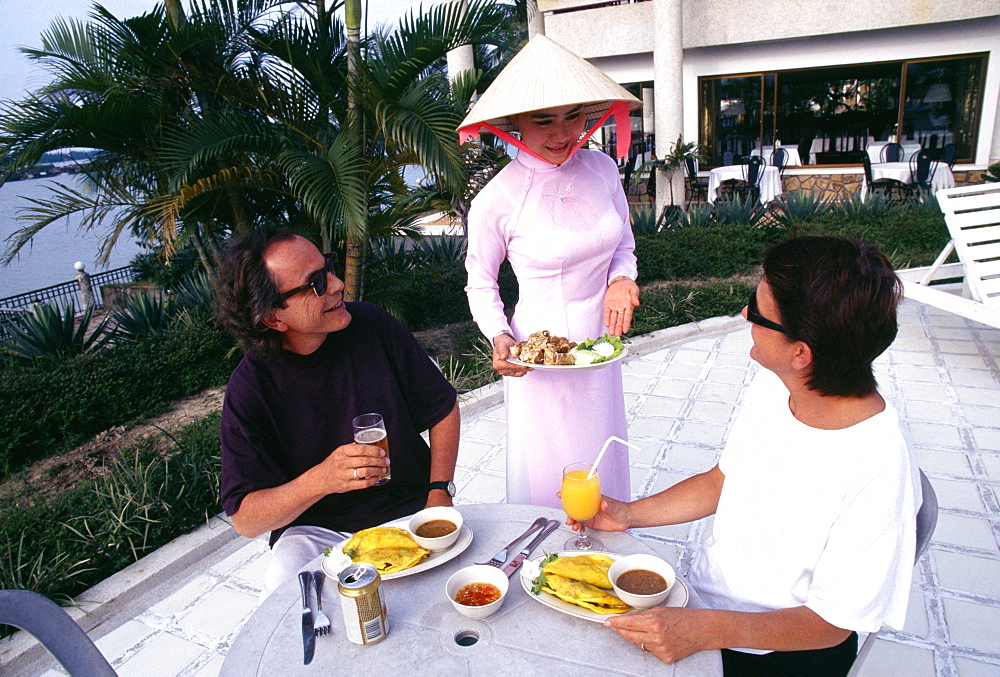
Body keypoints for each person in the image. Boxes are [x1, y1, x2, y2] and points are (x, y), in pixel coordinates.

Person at [570, 236, 921, 676]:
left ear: (800, 353)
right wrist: (628, 514)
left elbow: (831, 624)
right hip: (703, 606)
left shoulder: (877, 463)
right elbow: (723, 481)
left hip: (784, 652)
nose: (743, 316)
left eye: (756, 313)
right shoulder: (779, 387)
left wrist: (703, 631)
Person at [214, 227, 460, 600]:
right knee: (284, 601)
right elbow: (246, 519)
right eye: (315, 283)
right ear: (273, 319)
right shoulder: (251, 388)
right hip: (317, 533)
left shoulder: (373, 327)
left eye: (327, 267)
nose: (337, 283)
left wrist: (439, 492)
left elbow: (442, 409)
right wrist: (322, 479)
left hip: (409, 510)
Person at [459, 35, 643, 507]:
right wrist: (500, 337)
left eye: (574, 117)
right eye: (543, 120)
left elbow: (623, 241)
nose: (562, 134)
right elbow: (481, 282)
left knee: (600, 452)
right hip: (538, 354)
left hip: (600, 345)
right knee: (548, 464)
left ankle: (603, 546)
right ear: (514, 123)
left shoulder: (602, 169)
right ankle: (546, 552)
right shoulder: (496, 198)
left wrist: (622, 279)